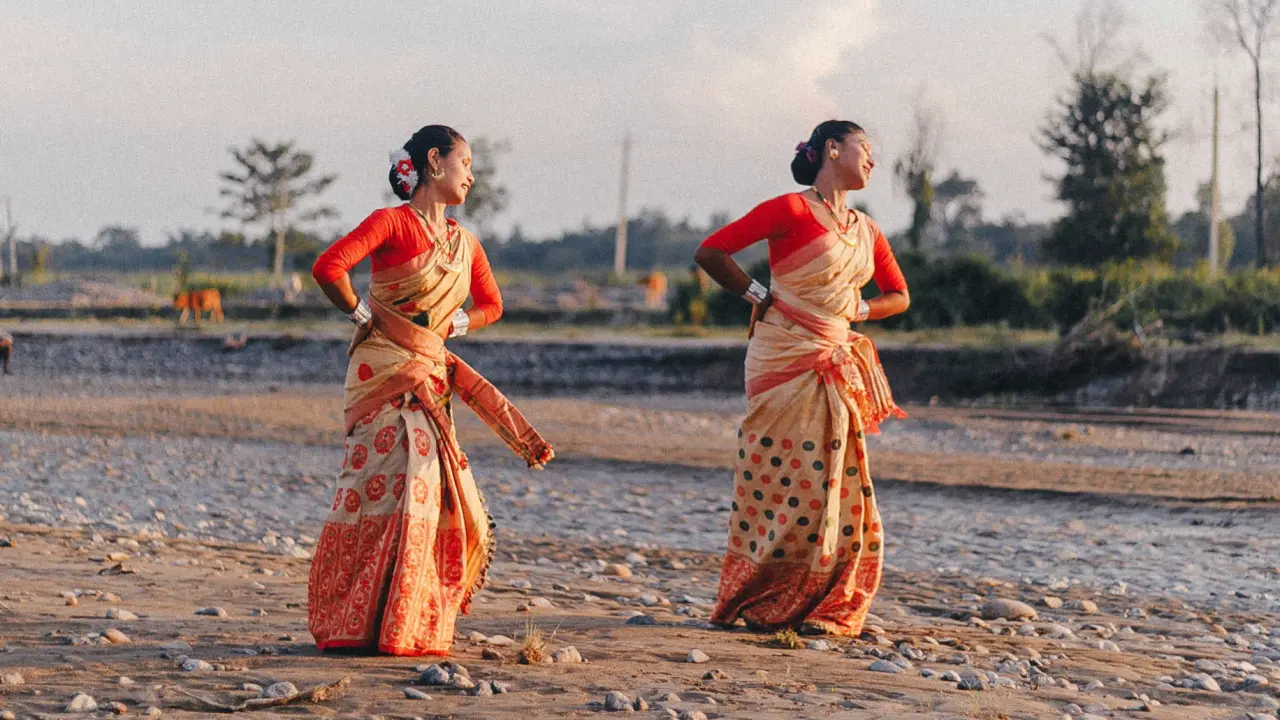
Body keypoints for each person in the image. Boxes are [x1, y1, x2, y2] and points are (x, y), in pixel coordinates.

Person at [307, 125, 555, 656]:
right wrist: (362, 313)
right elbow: (328, 267)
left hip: (430, 377)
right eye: (466, 162)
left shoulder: (466, 243)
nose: (472, 174)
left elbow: (494, 304)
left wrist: (456, 325)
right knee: (383, 490)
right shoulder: (390, 222)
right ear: (435, 163)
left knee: (433, 495)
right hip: (382, 378)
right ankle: (353, 620)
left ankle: (408, 621)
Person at [694, 120, 910, 637]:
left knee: (837, 482)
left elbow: (898, 294)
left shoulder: (866, 229)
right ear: (831, 150)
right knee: (776, 480)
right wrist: (756, 294)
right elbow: (710, 251)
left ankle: (825, 599)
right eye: (865, 148)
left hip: (833, 358)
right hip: (781, 358)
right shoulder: (790, 210)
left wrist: (858, 307)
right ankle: (758, 598)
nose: (872, 159)